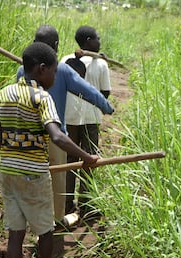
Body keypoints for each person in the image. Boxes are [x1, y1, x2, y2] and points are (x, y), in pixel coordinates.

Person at [0, 41, 99, 258]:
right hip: (33, 173)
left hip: (7, 170)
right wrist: (86, 158)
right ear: (42, 69)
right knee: (45, 231)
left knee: (15, 234)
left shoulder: (3, 93)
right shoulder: (42, 98)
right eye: (54, 71)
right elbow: (56, 135)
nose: (55, 76)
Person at [16, 25, 114, 224]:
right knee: (57, 184)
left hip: (29, 137)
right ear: (56, 46)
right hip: (55, 138)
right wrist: (106, 106)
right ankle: (56, 221)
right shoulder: (60, 69)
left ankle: (34, 218)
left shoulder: (22, 70)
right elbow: (88, 90)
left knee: (34, 180)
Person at [61, 25, 111, 218]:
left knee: (69, 160)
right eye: (97, 38)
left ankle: (66, 203)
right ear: (89, 41)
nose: (99, 41)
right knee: (89, 159)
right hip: (91, 118)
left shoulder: (65, 60)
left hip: (70, 117)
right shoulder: (101, 65)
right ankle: (86, 204)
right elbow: (105, 93)